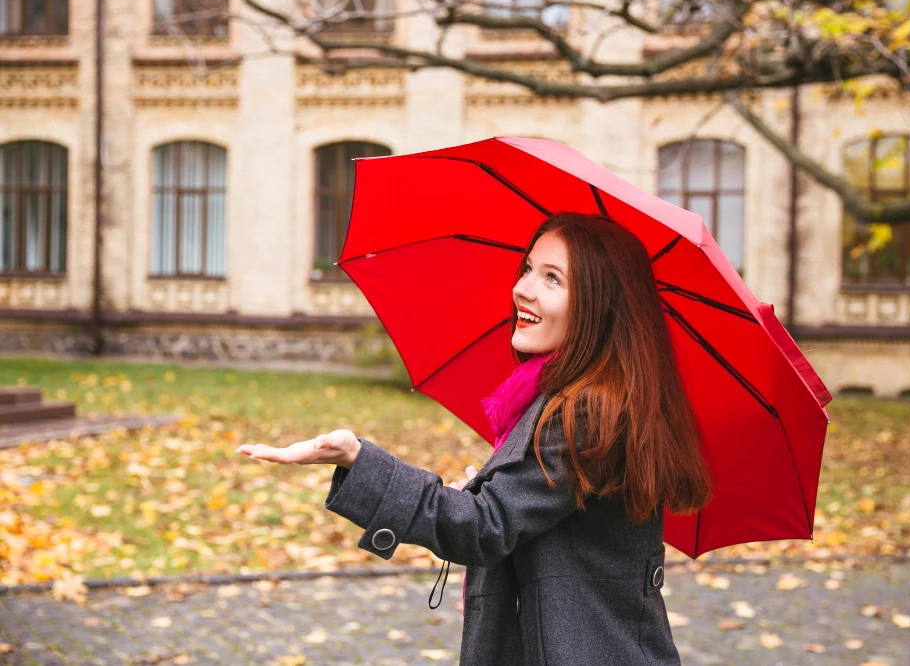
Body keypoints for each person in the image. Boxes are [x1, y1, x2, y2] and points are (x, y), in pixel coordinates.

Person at [236, 212, 714, 665]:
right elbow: (533, 515)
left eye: (553, 279)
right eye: (529, 269)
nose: (521, 289)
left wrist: (357, 458)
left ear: (600, 306)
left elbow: (485, 528)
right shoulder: (573, 395)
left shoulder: (588, 409)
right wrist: (489, 493)